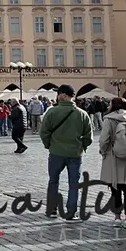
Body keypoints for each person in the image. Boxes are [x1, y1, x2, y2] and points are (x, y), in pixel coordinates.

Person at [40, 84, 93, 221]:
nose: (57, 96)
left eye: (58, 94)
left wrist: (49, 145)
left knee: (53, 181)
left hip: (56, 153)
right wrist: (82, 147)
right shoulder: (82, 114)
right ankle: (71, 212)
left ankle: (52, 209)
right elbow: (88, 136)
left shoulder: (52, 112)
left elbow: (44, 132)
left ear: (63, 95)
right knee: (74, 184)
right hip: (75, 154)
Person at [98, 98, 126, 229]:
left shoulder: (109, 119)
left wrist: (103, 151)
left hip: (113, 157)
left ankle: (117, 218)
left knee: (115, 189)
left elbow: (104, 139)